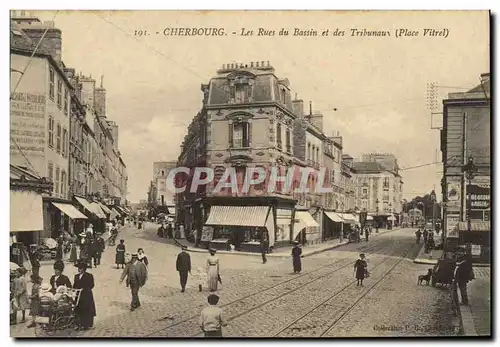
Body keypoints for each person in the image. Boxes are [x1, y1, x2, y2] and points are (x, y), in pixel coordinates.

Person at [73, 262, 96, 330]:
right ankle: (79, 323)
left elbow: (92, 285)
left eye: (80, 268)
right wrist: (75, 290)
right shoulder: (76, 276)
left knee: (87, 309)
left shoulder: (89, 276)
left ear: (84, 269)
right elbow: (74, 285)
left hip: (86, 295)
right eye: (78, 268)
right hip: (78, 295)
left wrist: (84, 289)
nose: (79, 269)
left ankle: (87, 324)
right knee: (78, 308)